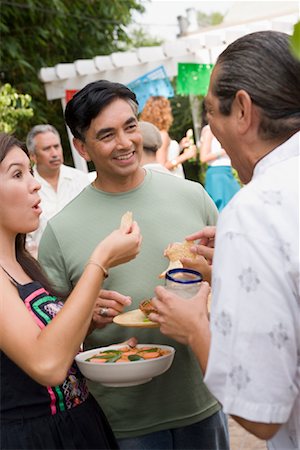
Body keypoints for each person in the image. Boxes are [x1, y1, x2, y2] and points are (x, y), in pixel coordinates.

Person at [38, 80, 230, 450]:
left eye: (130, 127)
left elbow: (234, 294)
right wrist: (83, 317)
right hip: (121, 421)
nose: (125, 143)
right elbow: (50, 338)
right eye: (106, 135)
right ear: (81, 147)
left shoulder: (193, 196)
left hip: (201, 402)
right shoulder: (60, 232)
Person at [149, 30, 300, 450]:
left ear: (243, 110)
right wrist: (238, 266)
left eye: (212, 113)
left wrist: (196, 328)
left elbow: (262, 413)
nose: (211, 130)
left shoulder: (254, 211)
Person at [0, 132, 142, 449]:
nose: (35, 184)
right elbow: (46, 365)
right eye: (17, 174)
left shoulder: (22, 264)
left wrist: (85, 318)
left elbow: (45, 344)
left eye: (30, 172)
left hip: (76, 428)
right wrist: (100, 261)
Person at [26, 124, 91, 251]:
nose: (54, 153)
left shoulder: (80, 179)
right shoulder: (27, 188)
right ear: (33, 156)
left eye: (56, 146)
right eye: (46, 149)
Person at [140, 96, 196, 178]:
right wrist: (185, 156)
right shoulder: (163, 135)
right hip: (172, 178)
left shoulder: (151, 134)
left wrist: (180, 146)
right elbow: (162, 166)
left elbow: (164, 155)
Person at [199, 102, 240, 211]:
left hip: (227, 171)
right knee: (222, 208)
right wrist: (223, 151)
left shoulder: (223, 128)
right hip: (217, 173)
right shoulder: (208, 130)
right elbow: (203, 157)